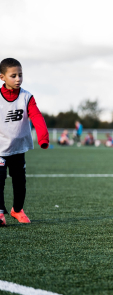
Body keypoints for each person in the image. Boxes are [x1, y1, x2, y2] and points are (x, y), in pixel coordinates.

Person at [0, 58, 49, 226]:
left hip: (19, 148)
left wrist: (43, 138)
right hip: (0, 149)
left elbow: (36, 116)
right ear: (2, 77)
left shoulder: (27, 97)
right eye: (13, 75)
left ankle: (17, 210)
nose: (18, 79)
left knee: (20, 181)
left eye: (20, 75)